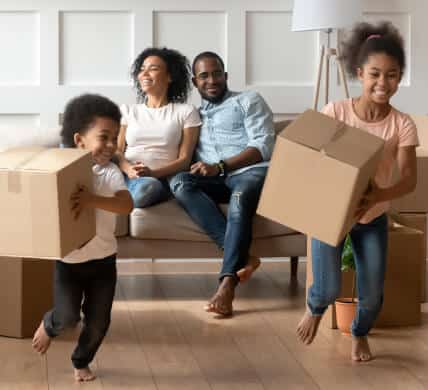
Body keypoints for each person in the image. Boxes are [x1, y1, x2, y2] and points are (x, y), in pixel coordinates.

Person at [297, 22, 418, 362]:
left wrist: (377, 197)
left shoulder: (401, 124)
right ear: (359, 73)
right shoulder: (335, 112)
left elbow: (409, 180)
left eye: (392, 75)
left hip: (372, 215)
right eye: (375, 74)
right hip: (331, 213)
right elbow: (310, 160)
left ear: (399, 77)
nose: (383, 83)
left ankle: (359, 332)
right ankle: (316, 307)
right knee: (328, 288)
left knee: (373, 295)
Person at [32, 94, 134, 381]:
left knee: (99, 321)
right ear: (80, 140)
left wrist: (91, 200)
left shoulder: (109, 172)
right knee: (67, 317)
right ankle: (49, 324)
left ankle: (81, 360)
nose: (112, 145)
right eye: (104, 137)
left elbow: (126, 205)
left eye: (115, 138)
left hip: (103, 261)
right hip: (69, 261)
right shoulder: (60, 172)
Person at [169, 51, 275, 316]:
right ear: (195, 82)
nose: (211, 80)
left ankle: (227, 284)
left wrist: (221, 166)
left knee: (240, 198)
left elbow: (263, 146)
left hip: (251, 173)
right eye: (204, 75)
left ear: (225, 76)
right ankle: (244, 257)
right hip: (215, 179)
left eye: (217, 73)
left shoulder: (248, 99)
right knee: (180, 182)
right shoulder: (194, 116)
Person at [117, 47, 201, 208]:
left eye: (153, 69)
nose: (144, 74)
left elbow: (184, 161)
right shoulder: (128, 111)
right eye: (142, 70)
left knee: (149, 186)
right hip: (127, 176)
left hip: (158, 180)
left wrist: (152, 173)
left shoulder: (186, 111)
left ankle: (117, 202)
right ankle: (119, 198)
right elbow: (117, 151)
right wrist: (129, 170)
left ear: (170, 76)